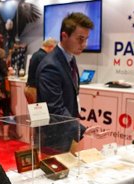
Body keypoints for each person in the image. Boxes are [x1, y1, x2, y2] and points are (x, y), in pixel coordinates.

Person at [37, 12, 94, 152]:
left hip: (67, 130)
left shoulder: (69, 58)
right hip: (54, 136)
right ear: (64, 36)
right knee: (56, 172)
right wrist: (82, 130)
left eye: (86, 39)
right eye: (80, 39)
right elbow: (55, 107)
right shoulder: (51, 65)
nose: (84, 44)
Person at [25, 37, 57, 104]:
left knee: (33, 112)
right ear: (51, 47)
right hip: (35, 90)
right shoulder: (44, 57)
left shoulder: (35, 54)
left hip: (29, 88)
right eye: (54, 49)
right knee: (39, 113)